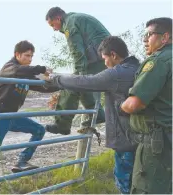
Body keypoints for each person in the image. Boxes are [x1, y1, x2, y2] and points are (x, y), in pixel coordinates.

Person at [45, 36, 139, 194]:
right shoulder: (139, 67)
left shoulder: (117, 74)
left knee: (125, 182)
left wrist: (56, 78)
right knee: (140, 181)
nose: (105, 63)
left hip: (126, 139)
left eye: (105, 58)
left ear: (114, 55)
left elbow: (85, 81)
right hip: (141, 137)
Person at [0, 40, 56, 182]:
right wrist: (42, 69)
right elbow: (18, 71)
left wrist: (62, 85)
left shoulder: (26, 74)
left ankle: (21, 161)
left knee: (39, 130)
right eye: (27, 56)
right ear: (17, 54)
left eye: (31, 57)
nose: (29, 59)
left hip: (12, 115)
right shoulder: (9, 68)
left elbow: (42, 87)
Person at [120, 17, 172, 194]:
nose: (144, 39)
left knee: (147, 189)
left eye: (148, 34)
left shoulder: (159, 61)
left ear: (164, 37)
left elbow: (134, 104)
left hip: (158, 145)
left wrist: (123, 105)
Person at [45, 7, 111, 135]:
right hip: (104, 57)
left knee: (70, 84)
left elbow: (77, 52)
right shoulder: (76, 18)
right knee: (81, 85)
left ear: (58, 18)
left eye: (53, 24)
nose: (54, 28)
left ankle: (62, 125)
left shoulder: (70, 23)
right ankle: (98, 114)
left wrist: (76, 77)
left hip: (101, 59)